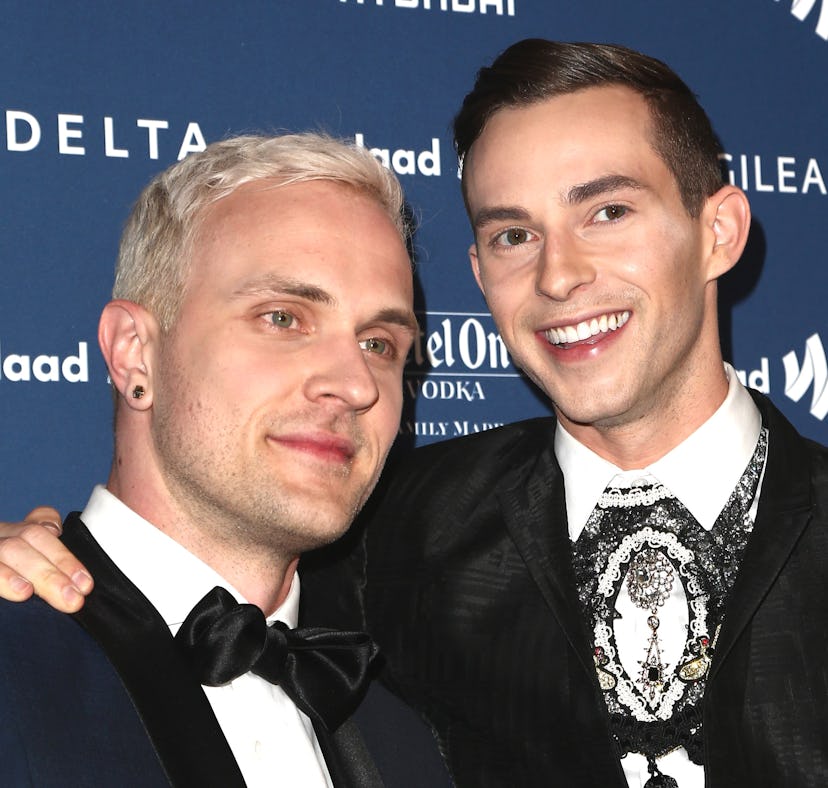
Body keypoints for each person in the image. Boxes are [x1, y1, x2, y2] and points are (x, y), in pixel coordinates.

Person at [2, 39, 827, 787]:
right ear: (478, 269)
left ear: (719, 230)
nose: (560, 275)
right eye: (512, 235)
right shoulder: (390, 536)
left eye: (608, 211)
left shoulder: (348, 577)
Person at [0, 132, 453, 787]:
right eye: (283, 318)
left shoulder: (402, 737)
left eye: (380, 343)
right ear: (134, 352)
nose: (357, 384)